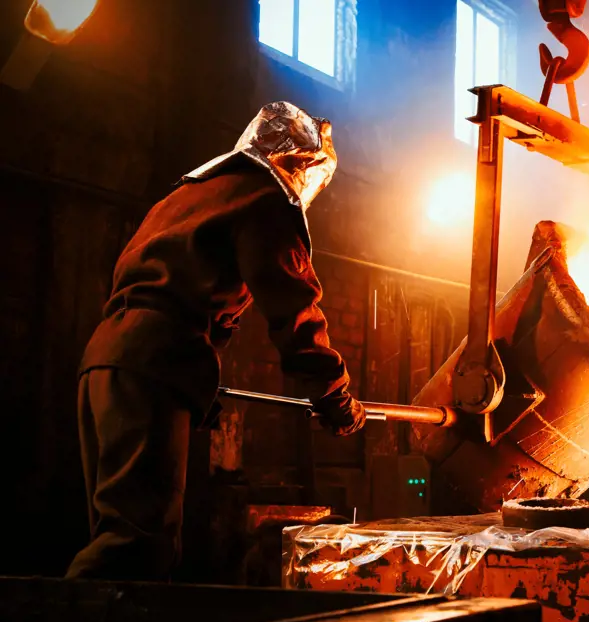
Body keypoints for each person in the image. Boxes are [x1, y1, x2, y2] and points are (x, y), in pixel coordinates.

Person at [66, 102, 366, 581]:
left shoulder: (189, 196)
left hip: (107, 359)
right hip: (152, 363)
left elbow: (189, 297)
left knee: (119, 532)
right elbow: (292, 305)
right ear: (299, 164)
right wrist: (334, 395)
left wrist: (198, 377)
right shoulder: (264, 199)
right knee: (135, 548)